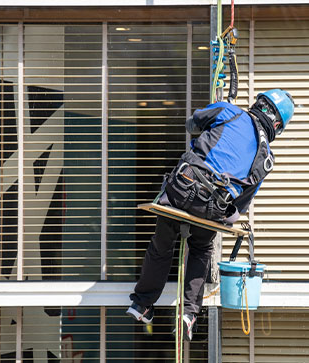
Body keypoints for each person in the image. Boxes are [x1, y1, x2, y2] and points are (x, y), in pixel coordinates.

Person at [126, 89, 295, 341]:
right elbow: (242, 202)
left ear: (259, 103)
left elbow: (192, 124)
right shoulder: (266, 158)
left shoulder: (231, 112)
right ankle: (189, 314)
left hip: (182, 186)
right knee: (202, 248)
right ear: (278, 125)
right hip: (213, 205)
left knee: (162, 245)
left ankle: (142, 304)